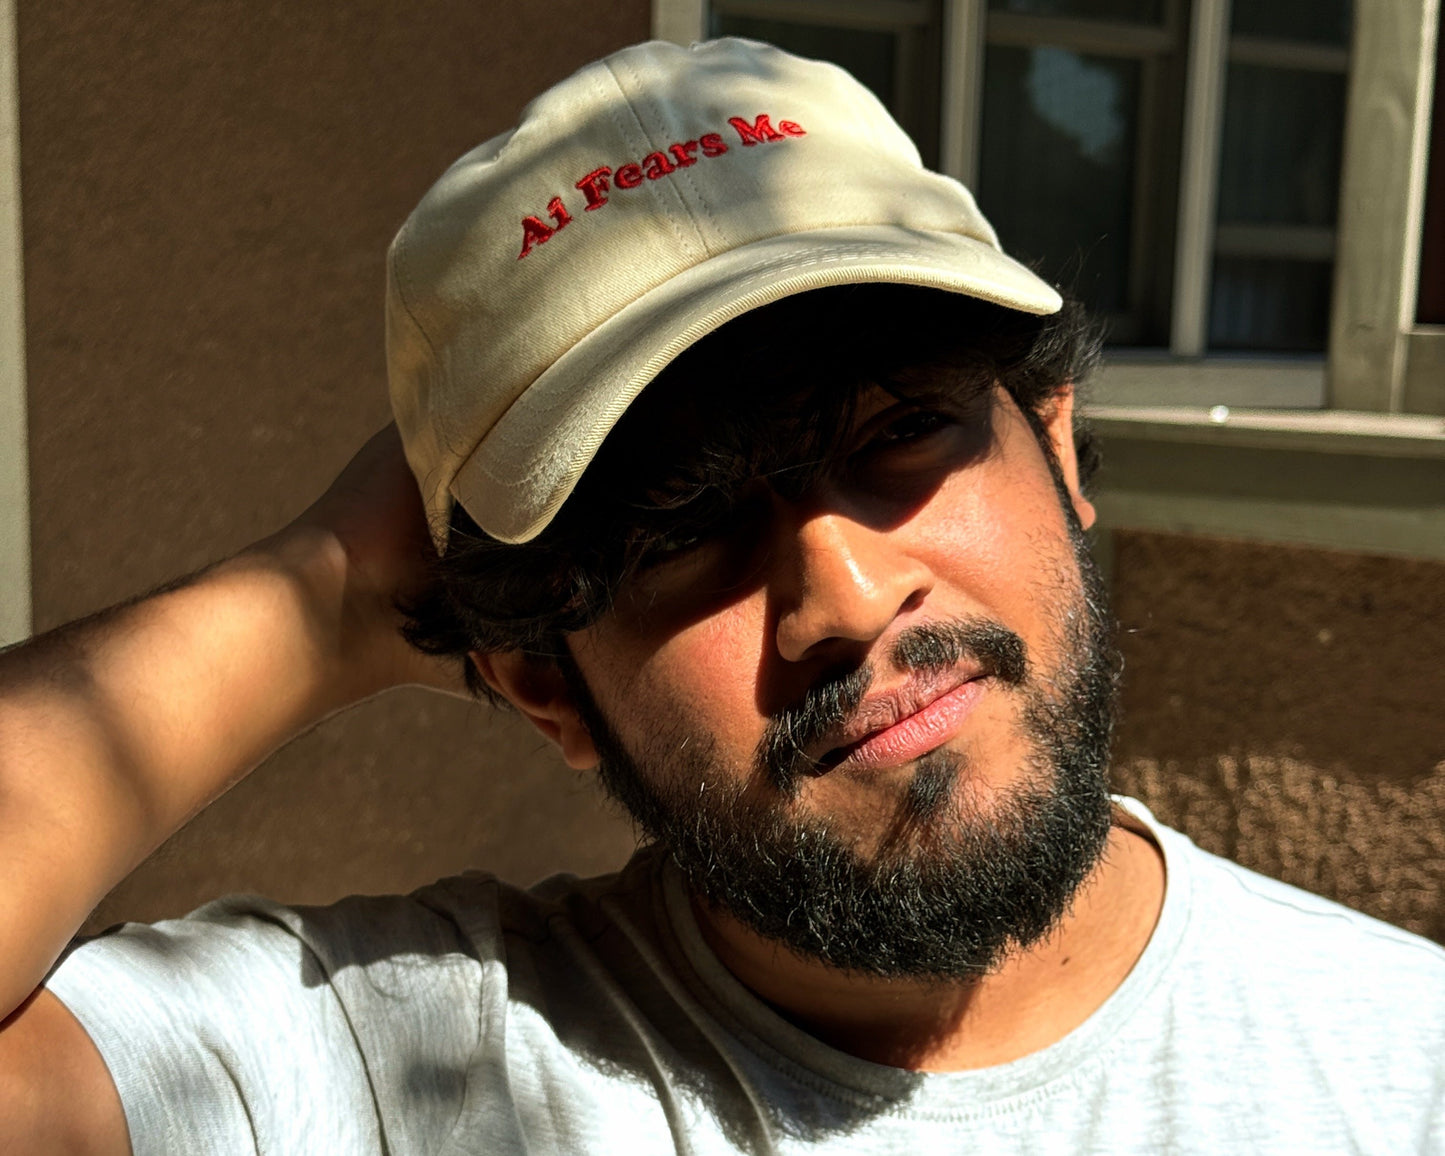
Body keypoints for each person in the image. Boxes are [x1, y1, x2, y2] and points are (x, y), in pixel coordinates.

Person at [1, 36, 1442, 1155]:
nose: (845, 589)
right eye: (675, 531)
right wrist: (318, 594)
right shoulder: (374, 1069)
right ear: (542, 686)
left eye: (895, 431)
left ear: (1054, 444)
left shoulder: (1405, 1060)